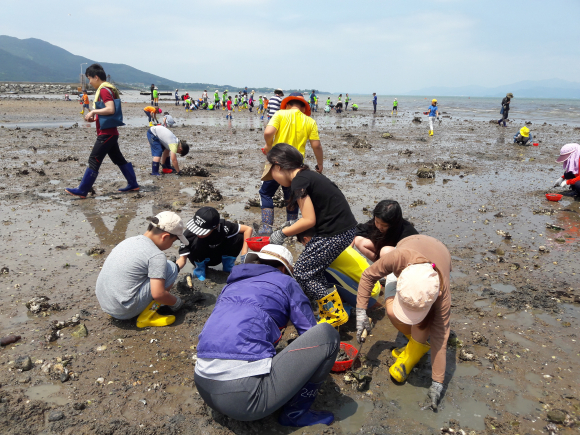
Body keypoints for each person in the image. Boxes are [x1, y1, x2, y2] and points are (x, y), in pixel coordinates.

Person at [194, 244, 339, 427]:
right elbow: (311, 333)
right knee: (327, 334)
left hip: (203, 385)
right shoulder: (286, 282)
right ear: (283, 269)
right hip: (245, 402)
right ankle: (296, 413)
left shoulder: (231, 286)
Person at [264, 144, 357, 327]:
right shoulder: (309, 176)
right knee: (313, 271)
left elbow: (309, 220)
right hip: (344, 230)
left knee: (302, 272)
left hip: (334, 233)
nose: (273, 179)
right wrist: (292, 225)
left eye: (272, 173)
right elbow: (317, 212)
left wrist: (281, 234)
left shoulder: (299, 181)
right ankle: (335, 308)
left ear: (278, 166)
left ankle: (335, 313)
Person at [356, 235, 452, 410]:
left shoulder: (441, 293)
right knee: (392, 310)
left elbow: (440, 338)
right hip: (409, 249)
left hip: (441, 253)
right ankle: (415, 341)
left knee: (427, 322)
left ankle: (416, 346)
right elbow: (369, 275)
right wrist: (361, 311)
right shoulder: (399, 259)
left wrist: (437, 383)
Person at [96, 211, 187, 328]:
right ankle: (149, 313)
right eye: (173, 241)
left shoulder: (129, 241)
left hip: (106, 304)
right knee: (171, 268)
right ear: (165, 237)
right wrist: (177, 303)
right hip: (124, 310)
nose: (171, 244)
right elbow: (158, 294)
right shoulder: (156, 255)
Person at [65, 64, 139, 198]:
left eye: (89, 79)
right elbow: (107, 112)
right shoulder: (107, 89)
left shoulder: (104, 90)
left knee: (94, 159)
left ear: (96, 77)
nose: (89, 82)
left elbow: (110, 109)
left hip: (107, 134)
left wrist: (93, 111)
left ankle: (83, 190)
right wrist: (95, 118)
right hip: (110, 132)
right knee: (119, 160)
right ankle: (133, 184)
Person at [259, 93, 323, 235]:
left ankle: (266, 228)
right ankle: (292, 228)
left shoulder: (281, 114)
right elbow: (316, 145)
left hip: (277, 162)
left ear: (288, 105)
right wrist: (320, 164)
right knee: (292, 197)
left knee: (266, 193)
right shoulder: (309, 121)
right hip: (296, 166)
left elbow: (268, 132)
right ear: (303, 107)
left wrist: (268, 146)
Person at [297, 228, 382, 310]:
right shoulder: (334, 241)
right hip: (373, 289)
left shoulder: (322, 252)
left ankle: (333, 307)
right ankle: (344, 300)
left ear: (306, 239)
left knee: (319, 272)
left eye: (303, 244)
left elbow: (304, 273)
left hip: (366, 297)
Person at [177, 206, 252, 281]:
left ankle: (228, 265)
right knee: (196, 241)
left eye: (202, 231)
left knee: (239, 236)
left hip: (217, 256)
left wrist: (244, 252)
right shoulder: (188, 235)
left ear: (216, 226)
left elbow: (248, 229)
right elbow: (182, 259)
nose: (198, 234)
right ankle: (200, 269)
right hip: (200, 258)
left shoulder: (224, 227)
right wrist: (174, 269)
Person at [353, 200, 418, 262]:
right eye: (377, 221)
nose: (379, 226)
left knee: (385, 251)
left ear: (394, 223)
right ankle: (379, 265)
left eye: (384, 225)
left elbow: (415, 256)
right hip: (384, 254)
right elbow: (357, 230)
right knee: (358, 240)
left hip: (403, 260)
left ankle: (387, 270)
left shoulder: (408, 233)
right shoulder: (377, 221)